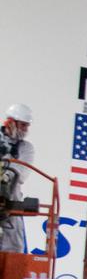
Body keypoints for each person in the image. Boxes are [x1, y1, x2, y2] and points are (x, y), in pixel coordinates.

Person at [0, 102, 34, 253]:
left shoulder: (26, 148)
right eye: (23, 125)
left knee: (15, 247)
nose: (25, 130)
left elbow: (21, 174)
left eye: (27, 126)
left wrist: (6, 175)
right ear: (10, 122)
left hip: (11, 202)